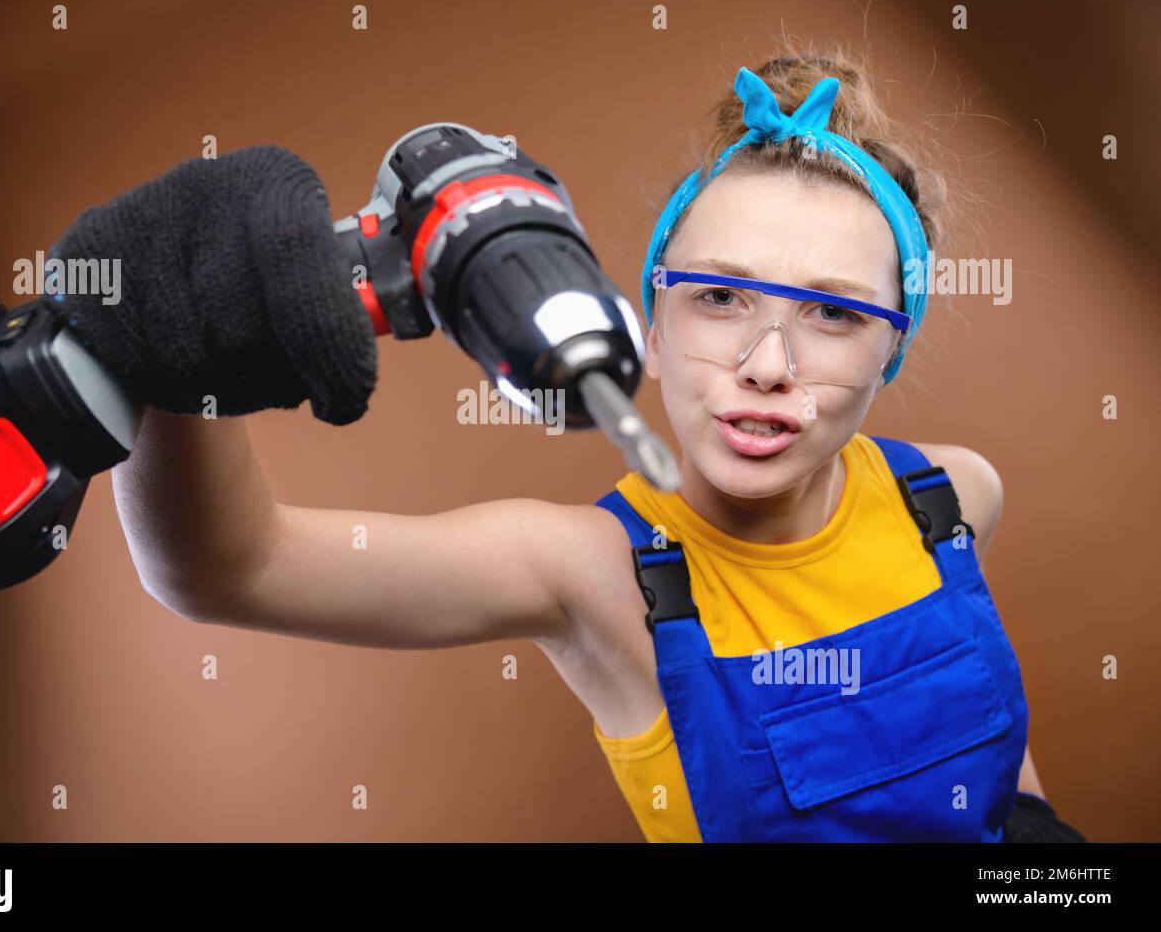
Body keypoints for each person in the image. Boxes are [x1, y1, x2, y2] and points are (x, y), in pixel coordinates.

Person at [109, 47, 1082, 842]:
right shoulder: (593, 578)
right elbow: (226, 568)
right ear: (648, 332)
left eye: (833, 315)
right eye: (717, 298)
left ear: (891, 350)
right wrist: (184, 362)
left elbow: (992, 775)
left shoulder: (950, 499)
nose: (766, 363)